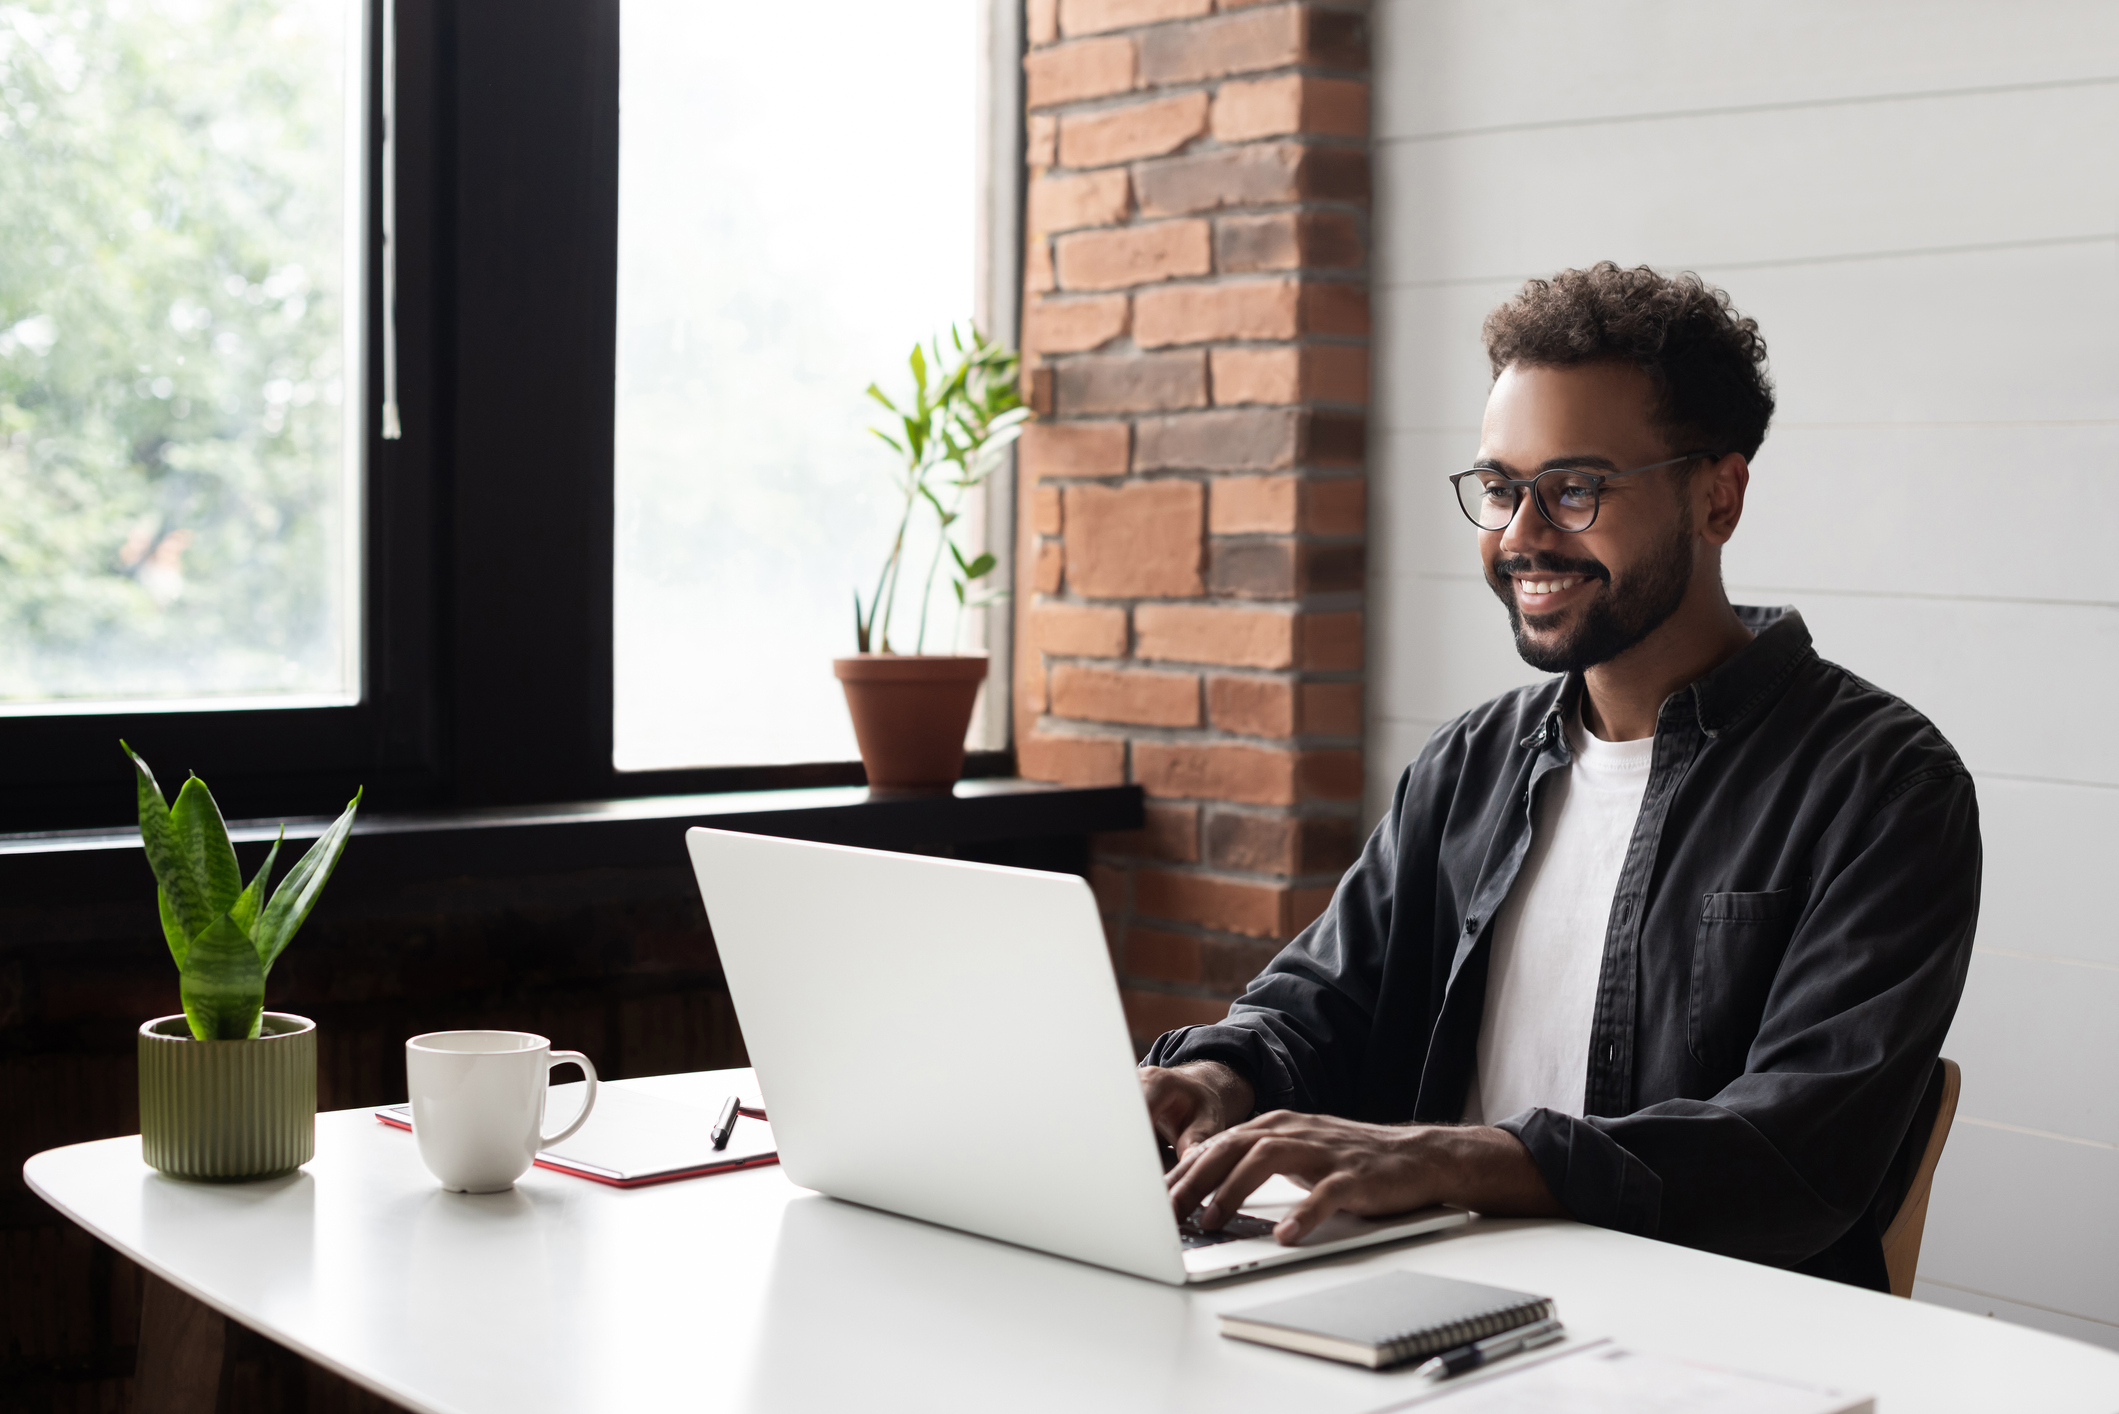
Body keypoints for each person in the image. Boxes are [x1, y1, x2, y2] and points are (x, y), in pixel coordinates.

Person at [1141, 262, 1980, 1291]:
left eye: (1574, 488)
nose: (1520, 536)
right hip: (1433, 1302)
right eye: (1499, 488)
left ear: (1716, 496)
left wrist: (1454, 1156)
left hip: (1710, 1333)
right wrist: (1216, 1075)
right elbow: (1323, 1003)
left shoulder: (1881, 784)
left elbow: (1794, 1148)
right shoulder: (1469, 763)